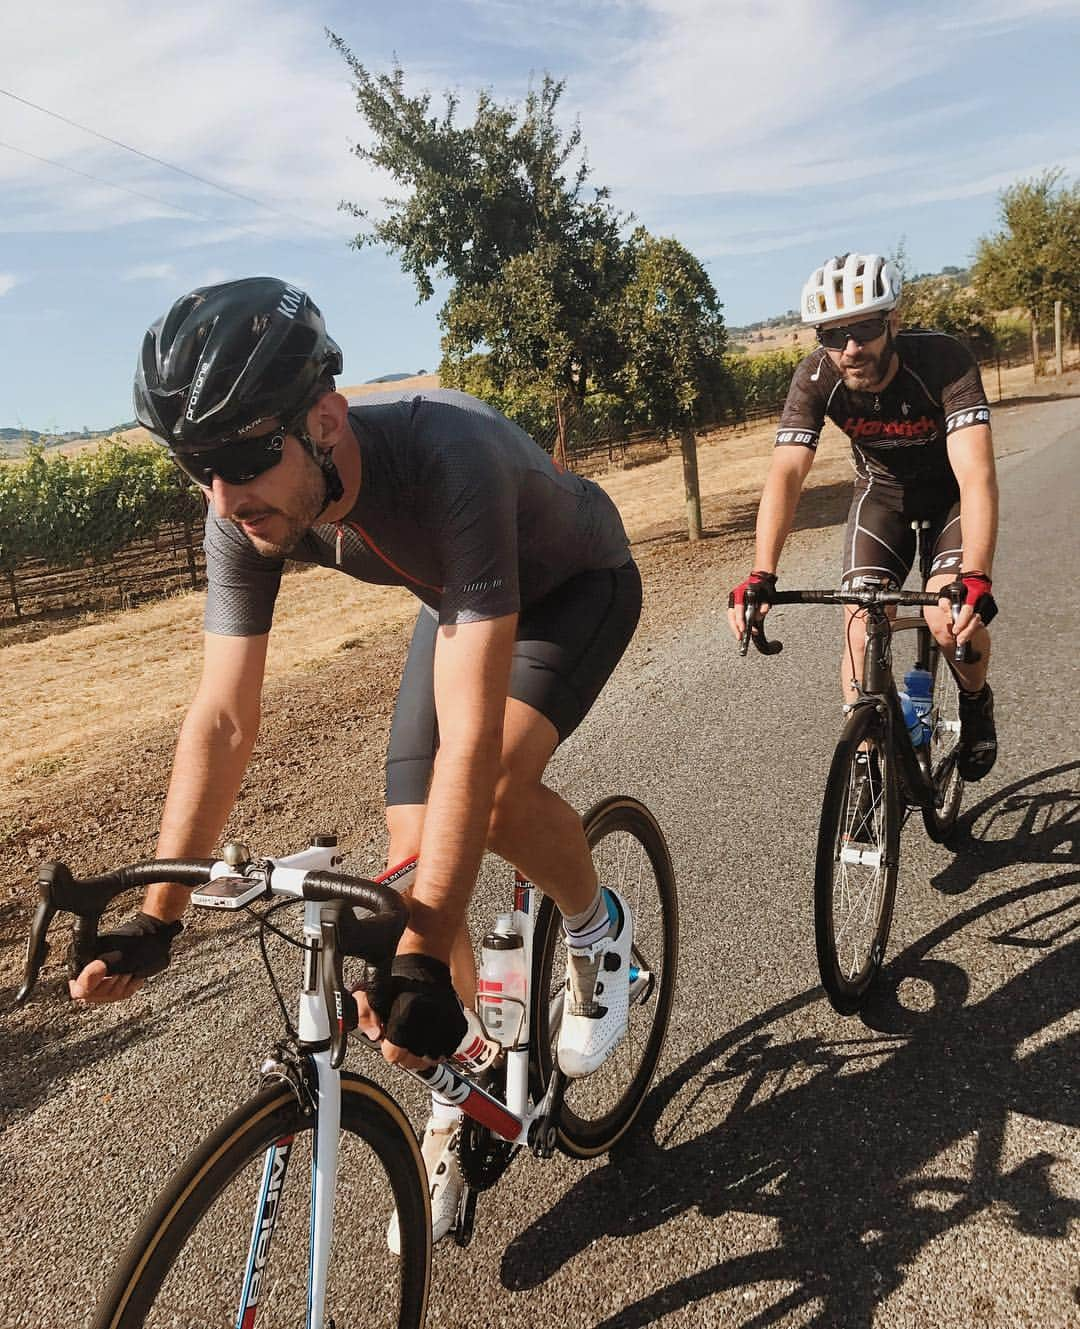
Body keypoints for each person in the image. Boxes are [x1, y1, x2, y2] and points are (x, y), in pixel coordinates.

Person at [69, 276, 642, 1246]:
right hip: (457, 601)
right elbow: (221, 719)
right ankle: (464, 1076)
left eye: (244, 455)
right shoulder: (242, 507)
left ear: (325, 421)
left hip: (575, 586)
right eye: (194, 466)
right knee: (414, 856)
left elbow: (468, 739)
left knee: (490, 794)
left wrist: (417, 954)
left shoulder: (447, 457)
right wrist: (157, 918)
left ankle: (597, 932)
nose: (221, 494)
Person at [727, 252, 998, 788]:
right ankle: (868, 759)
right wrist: (761, 573)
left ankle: (976, 702)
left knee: (947, 617)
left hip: (949, 498)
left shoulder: (943, 360)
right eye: (832, 334)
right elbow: (785, 474)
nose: (850, 348)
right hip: (882, 499)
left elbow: (976, 477)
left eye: (866, 328)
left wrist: (977, 576)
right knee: (859, 618)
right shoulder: (814, 377)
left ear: (893, 321)